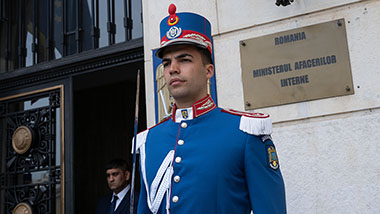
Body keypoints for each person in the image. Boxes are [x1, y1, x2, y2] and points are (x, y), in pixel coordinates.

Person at [134, 4, 286, 214]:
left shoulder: (244, 134)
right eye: (167, 63)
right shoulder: (149, 141)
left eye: (184, 59)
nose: (173, 69)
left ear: (209, 71)